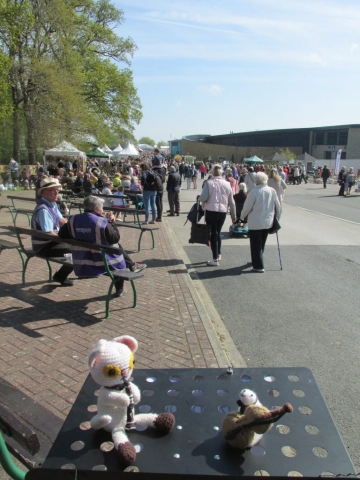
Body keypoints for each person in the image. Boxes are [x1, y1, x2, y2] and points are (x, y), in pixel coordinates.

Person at [58, 196, 146, 297]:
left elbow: (62, 235)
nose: (102, 211)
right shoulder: (102, 222)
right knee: (115, 247)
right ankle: (121, 286)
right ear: (96, 208)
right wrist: (111, 222)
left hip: (82, 260)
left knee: (112, 247)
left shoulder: (73, 220)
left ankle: (132, 266)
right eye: (102, 208)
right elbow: (115, 238)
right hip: (102, 263)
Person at [31, 178, 74, 286]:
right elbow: (48, 233)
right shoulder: (43, 210)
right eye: (53, 190)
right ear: (44, 192)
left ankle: (63, 274)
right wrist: (66, 241)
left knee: (79, 247)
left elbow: (62, 221)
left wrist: (75, 230)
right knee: (77, 251)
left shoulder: (52, 204)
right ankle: (60, 276)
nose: (56, 193)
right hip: (43, 247)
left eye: (57, 190)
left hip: (51, 242)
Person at [241, 172, 281, 273]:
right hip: (268, 221)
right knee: (262, 243)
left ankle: (258, 266)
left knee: (255, 244)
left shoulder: (254, 192)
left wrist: (242, 217)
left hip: (255, 222)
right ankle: (258, 258)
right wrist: (277, 217)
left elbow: (246, 208)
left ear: (256, 181)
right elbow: (278, 206)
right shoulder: (272, 191)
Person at [199, 164, 236, 266]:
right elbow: (231, 201)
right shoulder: (227, 184)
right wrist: (234, 215)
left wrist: (200, 200)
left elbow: (203, 198)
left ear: (212, 172)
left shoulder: (209, 183)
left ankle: (215, 258)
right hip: (222, 211)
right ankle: (218, 253)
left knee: (213, 234)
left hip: (211, 210)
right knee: (218, 232)